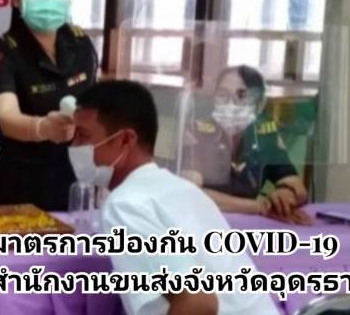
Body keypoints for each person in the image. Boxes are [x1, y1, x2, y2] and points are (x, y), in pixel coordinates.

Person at [71, 80, 278, 315]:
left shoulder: (125, 204)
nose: (74, 146)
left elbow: (197, 302)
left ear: (126, 140)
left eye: (83, 135)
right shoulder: (180, 189)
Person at [0, 0, 98, 211]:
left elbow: (97, 101)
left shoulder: (81, 43)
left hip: (76, 182)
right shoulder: (3, 52)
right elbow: (7, 117)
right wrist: (43, 128)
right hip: (19, 189)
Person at [182, 65, 311, 225]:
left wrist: (284, 194)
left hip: (248, 227)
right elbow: (190, 192)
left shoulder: (263, 136)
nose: (230, 104)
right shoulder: (198, 132)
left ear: (259, 104)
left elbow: (297, 187)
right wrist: (259, 206)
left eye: (241, 96)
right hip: (203, 225)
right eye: (223, 95)